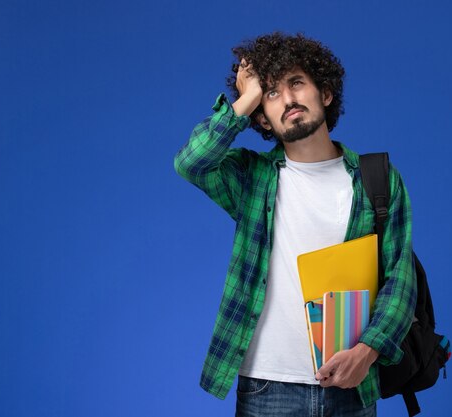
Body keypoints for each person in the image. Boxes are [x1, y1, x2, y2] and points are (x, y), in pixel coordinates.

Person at [174, 32, 416, 417]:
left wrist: (367, 352)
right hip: (266, 387)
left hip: (350, 386)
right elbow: (191, 162)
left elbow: (400, 280)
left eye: (297, 83)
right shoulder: (251, 179)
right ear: (263, 120)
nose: (287, 99)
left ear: (325, 94)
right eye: (271, 93)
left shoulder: (378, 179)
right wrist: (247, 97)